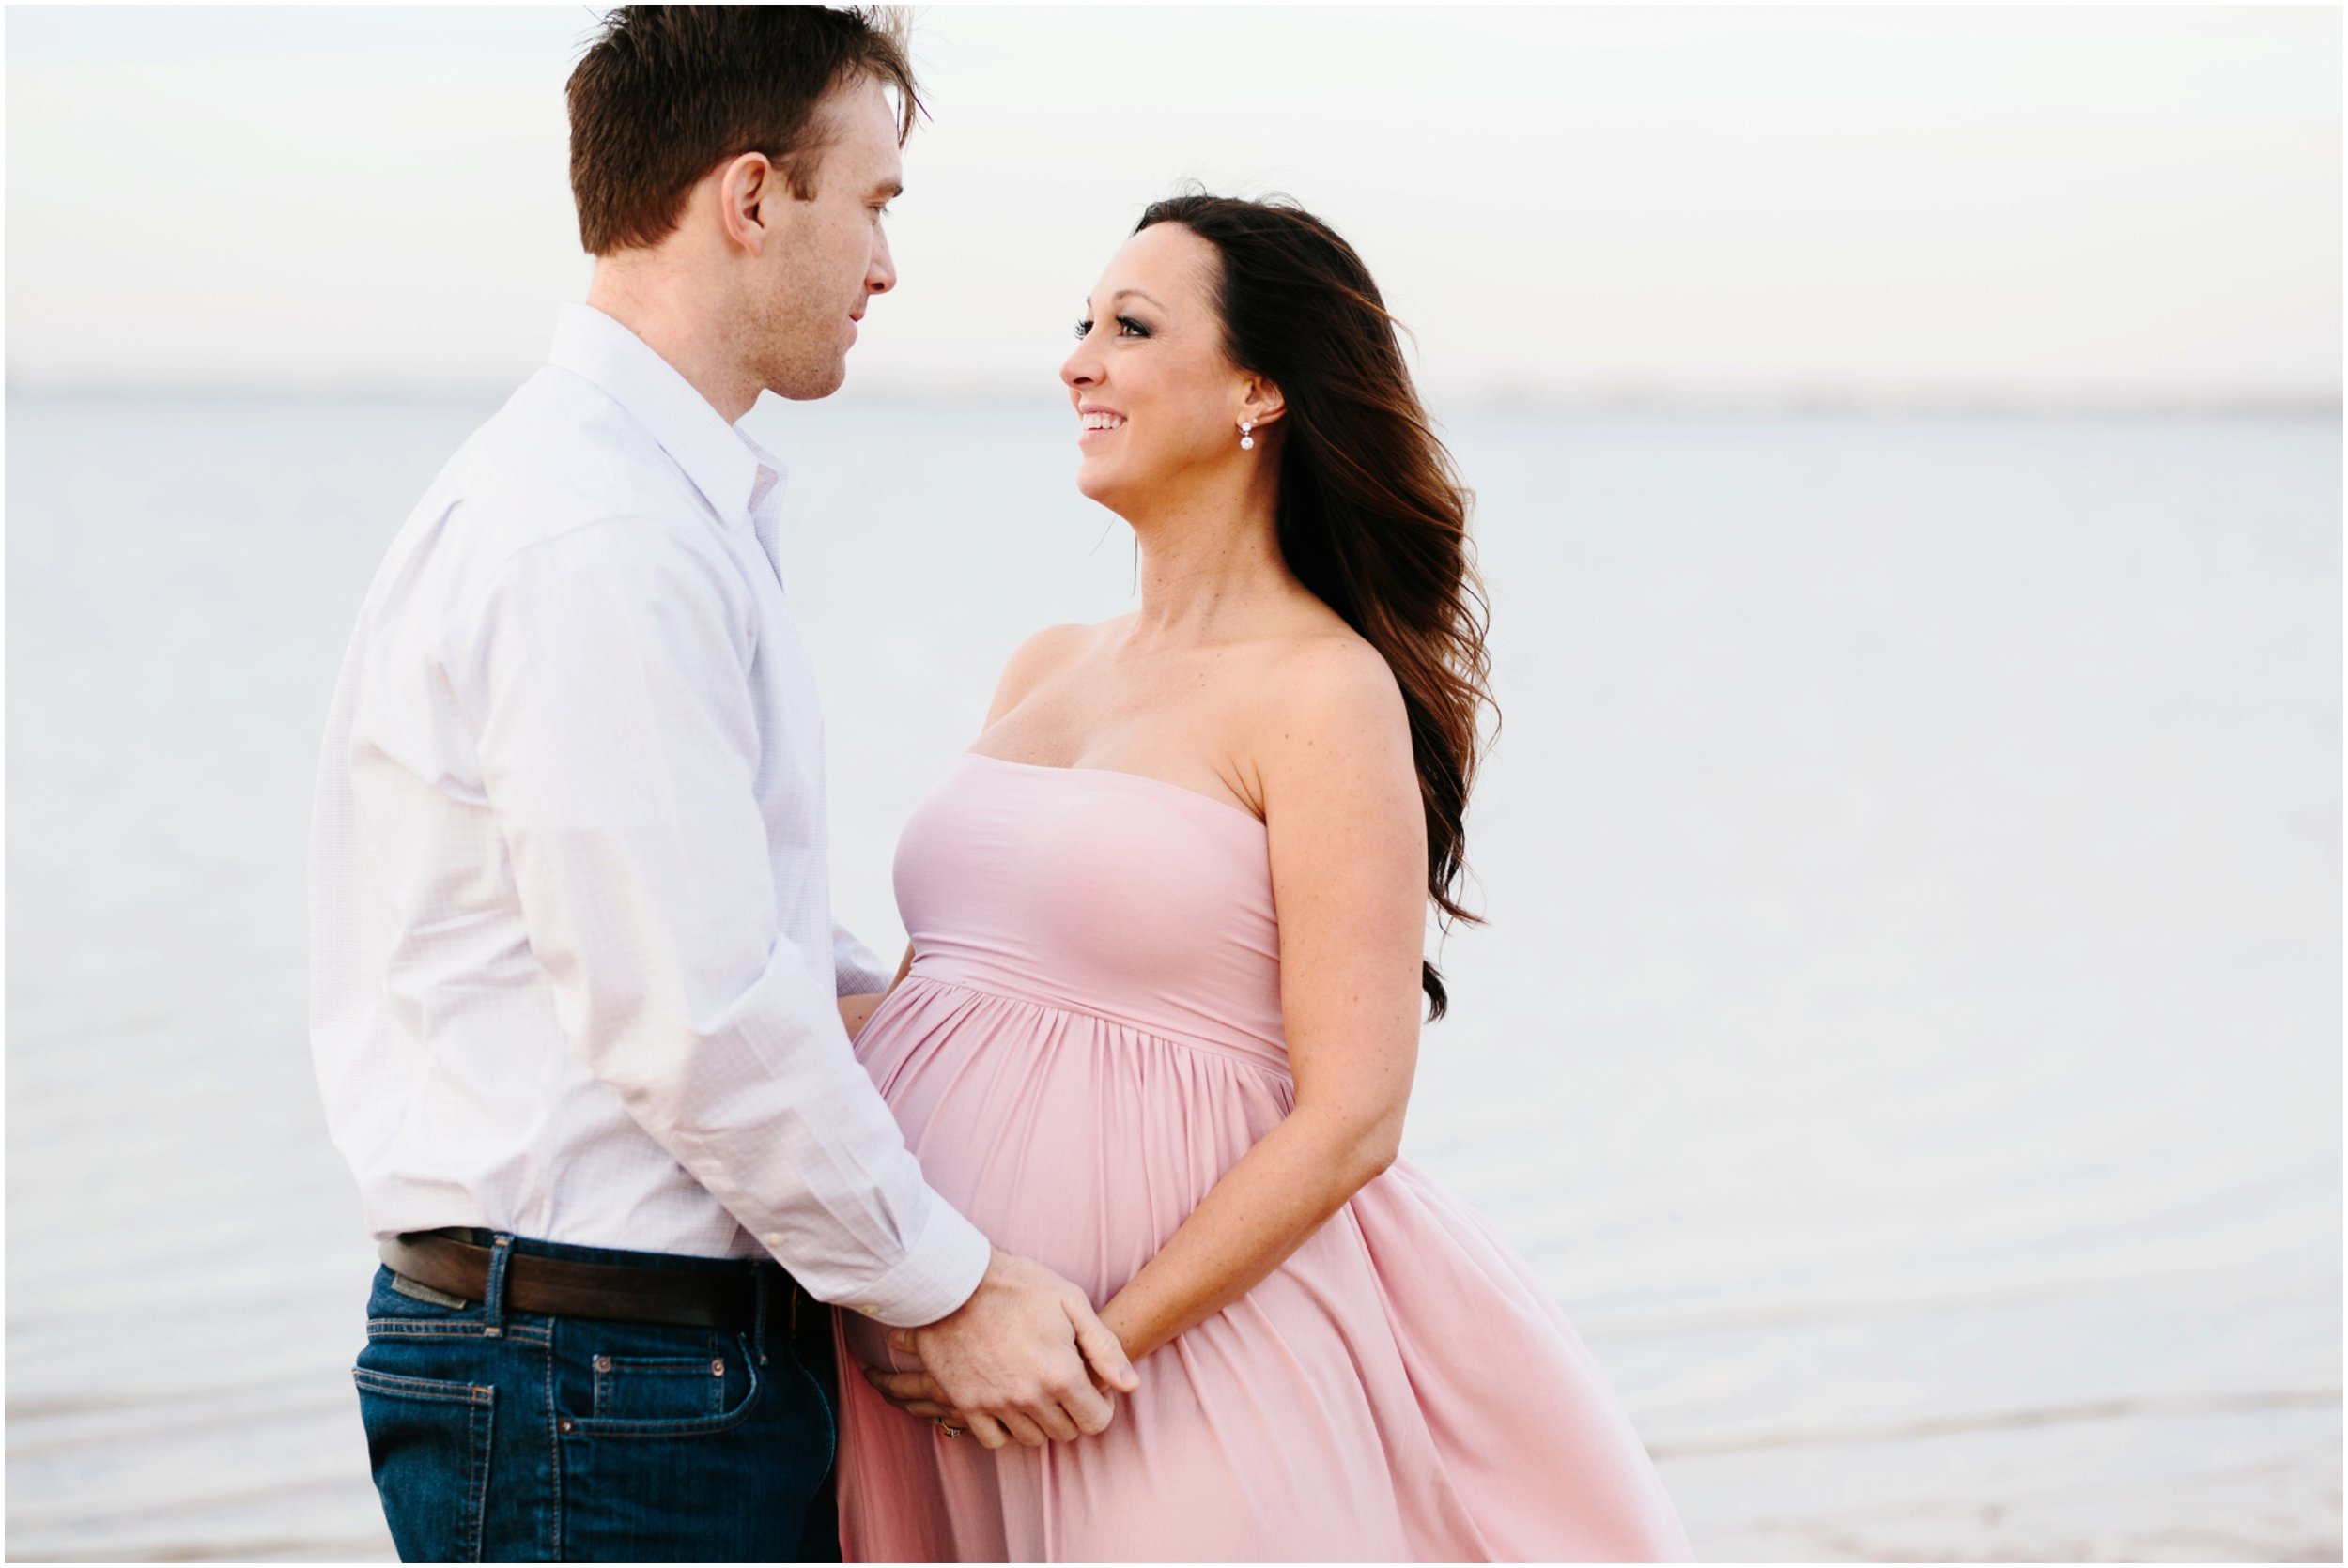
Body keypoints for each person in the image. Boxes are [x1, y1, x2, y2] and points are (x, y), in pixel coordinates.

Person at [307, 8, 1133, 1561]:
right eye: (875, 204)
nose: (889, 266)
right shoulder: (596, 534)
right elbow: (694, 1011)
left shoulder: (648, 505)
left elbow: (763, 956)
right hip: (593, 1381)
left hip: (630, 1366)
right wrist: (943, 1284)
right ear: (751, 199)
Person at [832, 194, 1698, 1561]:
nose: (1079, 360)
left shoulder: (1325, 691)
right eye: (1081, 325)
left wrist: (1090, 1352)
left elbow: (1356, 1110)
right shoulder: (1043, 664)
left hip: (1156, 1377)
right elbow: (959, 1001)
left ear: (1257, 391)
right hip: (935, 1361)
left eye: (1131, 326)